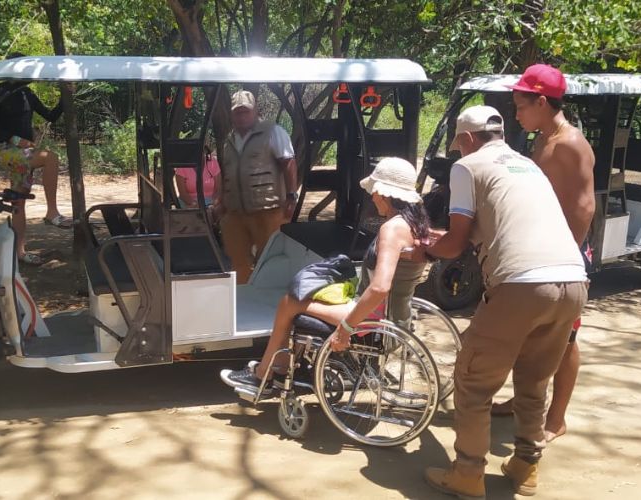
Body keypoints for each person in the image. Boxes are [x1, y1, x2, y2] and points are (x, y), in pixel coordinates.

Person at [420, 106, 588, 498]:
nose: (459, 151)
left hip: (521, 284)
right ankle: (525, 466)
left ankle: (467, 473)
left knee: (473, 381)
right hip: (573, 280)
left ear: (467, 139)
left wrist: (423, 249)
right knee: (533, 380)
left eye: (459, 145)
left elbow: (455, 242)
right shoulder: (527, 166)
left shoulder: (467, 166)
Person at [220, 157, 428, 393]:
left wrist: (346, 328)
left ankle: (263, 375)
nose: (372, 197)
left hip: (374, 321)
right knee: (308, 295)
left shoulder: (392, 229)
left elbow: (380, 287)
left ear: (384, 193)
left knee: (289, 303)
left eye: (374, 191)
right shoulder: (416, 224)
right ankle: (279, 367)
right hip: (398, 316)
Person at [490, 64, 596, 443]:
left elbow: (584, 206)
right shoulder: (543, 139)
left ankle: (556, 419)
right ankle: (523, 399)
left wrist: (567, 256)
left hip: (565, 257)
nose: (516, 114)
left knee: (564, 340)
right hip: (543, 251)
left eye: (521, 106)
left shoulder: (570, 143)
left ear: (541, 102)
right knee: (530, 334)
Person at [0, 53, 69, 265]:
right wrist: (15, 139)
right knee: (50, 158)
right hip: (5, 149)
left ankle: (20, 253)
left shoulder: (27, 93)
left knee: (18, 202)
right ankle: (52, 212)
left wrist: (66, 96)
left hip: (23, 154)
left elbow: (50, 116)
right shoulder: (0, 91)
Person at [214, 90, 298, 284]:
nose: (242, 116)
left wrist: (291, 196)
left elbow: (289, 163)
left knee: (269, 258)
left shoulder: (273, 132)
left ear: (255, 111)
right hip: (235, 211)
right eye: (238, 112)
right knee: (236, 258)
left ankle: (269, 294)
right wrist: (221, 202)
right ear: (231, 115)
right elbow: (227, 173)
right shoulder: (229, 140)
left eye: (246, 111)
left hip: (268, 211)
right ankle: (242, 295)